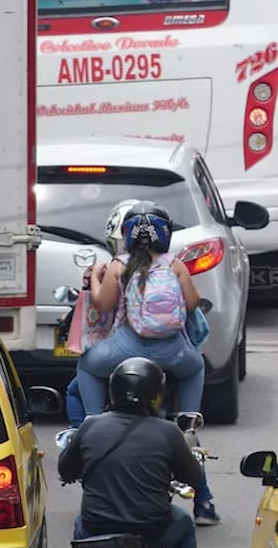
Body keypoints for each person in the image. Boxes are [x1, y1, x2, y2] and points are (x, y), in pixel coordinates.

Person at [75, 201, 221, 525]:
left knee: (87, 366)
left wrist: (97, 277)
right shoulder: (175, 264)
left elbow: (102, 302)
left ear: (126, 235)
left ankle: (92, 422)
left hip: (127, 347)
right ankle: (188, 424)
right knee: (195, 367)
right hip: (172, 352)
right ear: (165, 234)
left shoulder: (119, 265)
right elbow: (193, 302)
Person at [58, 357, 199, 548]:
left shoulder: (90, 425)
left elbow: (65, 470)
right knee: (184, 523)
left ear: (112, 390)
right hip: (151, 531)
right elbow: (192, 476)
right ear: (157, 395)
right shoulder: (168, 432)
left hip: (96, 527)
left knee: (80, 524)